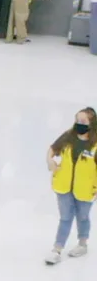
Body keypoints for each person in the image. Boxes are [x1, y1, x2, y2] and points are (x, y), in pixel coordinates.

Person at [45, 108, 97, 265]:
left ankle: (82, 244)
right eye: (76, 120)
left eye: (82, 122)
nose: (78, 124)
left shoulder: (95, 144)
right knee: (65, 218)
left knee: (82, 217)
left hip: (86, 189)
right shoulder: (68, 137)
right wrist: (50, 161)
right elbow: (52, 149)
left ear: (91, 123)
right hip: (64, 186)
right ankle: (57, 249)